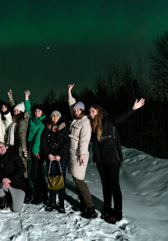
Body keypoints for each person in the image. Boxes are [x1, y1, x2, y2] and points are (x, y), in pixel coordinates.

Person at [90, 98, 145, 224]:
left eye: (92, 112)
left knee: (114, 185)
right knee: (105, 186)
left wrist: (133, 109)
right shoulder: (95, 126)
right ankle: (107, 208)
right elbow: (96, 146)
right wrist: (97, 161)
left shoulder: (109, 120)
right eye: (90, 112)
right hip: (101, 161)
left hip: (112, 159)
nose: (91, 114)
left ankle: (118, 212)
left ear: (98, 111)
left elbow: (121, 118)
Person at [68, 83, 96, 219]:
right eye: (75, 110)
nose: (76, 111)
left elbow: (85, 140)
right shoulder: (75, 120)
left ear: (83, 111)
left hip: (80, 155)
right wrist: (69, 92)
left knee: (80, 181)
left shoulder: (85, 122)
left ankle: (90, 207)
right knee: (75, 179)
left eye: (78, 110)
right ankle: (83, 203)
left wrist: (83, 155)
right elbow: (71, 106)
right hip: (73, 154)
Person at [40, 110, 70, 213]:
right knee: (51, 179)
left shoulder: (64, 128)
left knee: (61, 180)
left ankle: (61, 203)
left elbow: (67, 143)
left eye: (57, 115)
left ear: (60, 117)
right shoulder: (47, 128)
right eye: (53, 115)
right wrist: (48, 154)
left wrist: (60, 155)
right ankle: (52, 201)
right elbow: (43, 142)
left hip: (61, 158)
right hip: (51, 158)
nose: (54, 117)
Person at [6, 89, 33, 203]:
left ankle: (29, 193)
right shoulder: (16, 120)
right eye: (15, 110)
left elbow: (22, 135)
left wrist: (26, 97)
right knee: (17, 169)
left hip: (21, 148)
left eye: (18, 110)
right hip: (14, 148)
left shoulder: (24, 119)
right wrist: (11, 99)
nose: (15, 111)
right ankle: (19, 191)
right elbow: (15, 108)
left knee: (24, 171)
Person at [24, 90, 47, 205]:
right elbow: (28, 110)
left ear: (42, 113)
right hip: (32, 148)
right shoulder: (32, 120)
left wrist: (34, 151)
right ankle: (44, 193)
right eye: (36, 110)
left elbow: (38, 139)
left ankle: (39, 195)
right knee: (38, 174)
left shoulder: (41, 124)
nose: (37, 112)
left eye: (39, 111)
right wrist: (27, 97)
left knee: (34, 173)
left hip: (37, 151)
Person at [0, 142, 26, 213]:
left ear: (5, 147)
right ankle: (3, 197)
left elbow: (22, 169)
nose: (1, 148)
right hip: (6, 186)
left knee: (15, 209)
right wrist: (3, 179)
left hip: (18, 187)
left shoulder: (14, 156)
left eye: (1, 146)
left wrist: (10, 179)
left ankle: (16, 197)